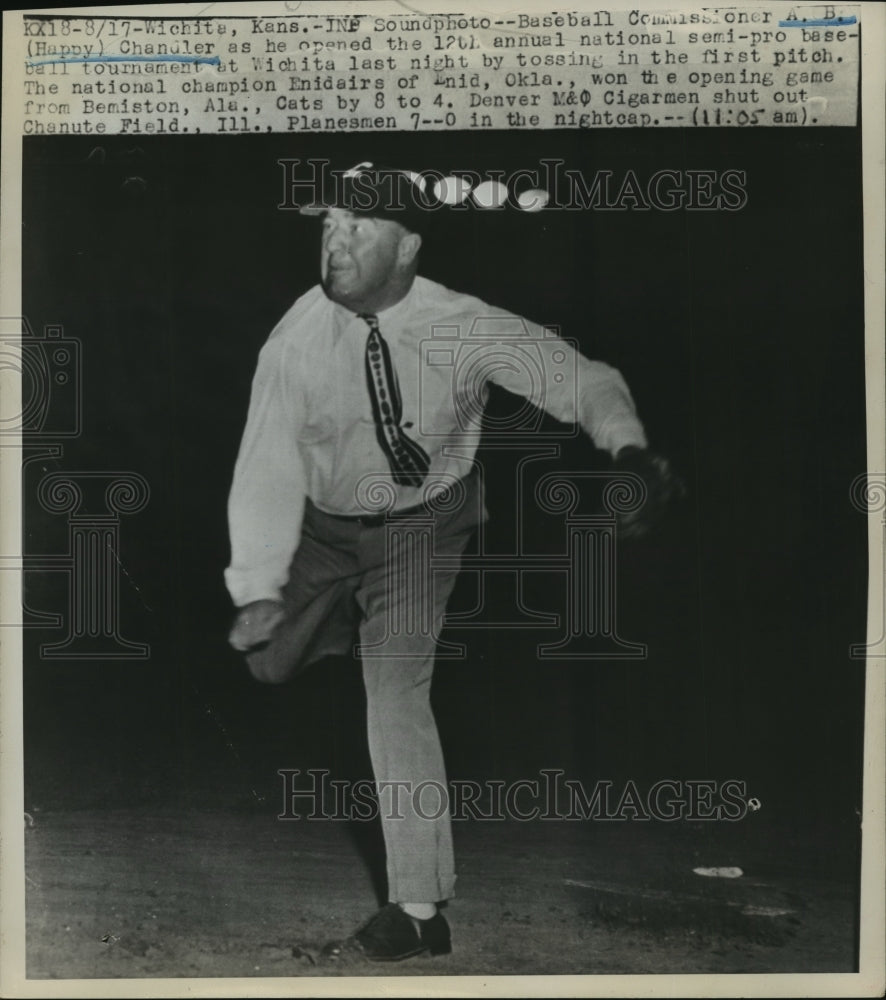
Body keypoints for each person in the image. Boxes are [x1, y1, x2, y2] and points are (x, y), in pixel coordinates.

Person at [225, 162, 681, 961]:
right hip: (326, 526)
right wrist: (259, 583)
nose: (336, 243)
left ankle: (419, 911)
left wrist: (631, 451)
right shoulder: (296, 337)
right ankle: (335, 625)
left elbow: (581, 380)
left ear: (409, 247)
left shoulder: (461, 325)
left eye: (360, 228)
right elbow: (266, 465)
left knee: (396, 691)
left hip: (422, 526)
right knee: (266, 661)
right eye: (329, 224)